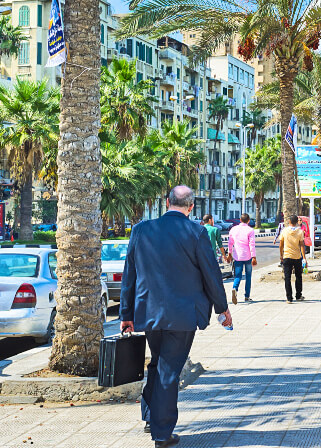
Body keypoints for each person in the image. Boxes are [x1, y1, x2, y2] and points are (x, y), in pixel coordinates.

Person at [120, 186, 231, 448]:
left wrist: (126, 314)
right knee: (168, 371)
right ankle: (162, 433)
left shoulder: (141, 230)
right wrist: (222, 308)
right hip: (182, 315)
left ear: (166, 201)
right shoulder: (196, 232)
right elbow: (211, 274)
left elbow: (129, 276)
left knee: (158, 363)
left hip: (149, 313)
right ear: (191, 207)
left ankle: (152, 416)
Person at [227, 213, 256, 304]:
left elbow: (230, 243)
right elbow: (252, 244)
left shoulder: (233, 229)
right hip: (247, 256)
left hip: (237, 256)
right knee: (248, 276)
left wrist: (229, 254)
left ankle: (235, 288)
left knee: (238, 275)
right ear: (248, 221)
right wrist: (254, 257)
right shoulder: (250, 230)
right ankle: (247, 296)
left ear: (240, 220)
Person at [278, 214, 307, 303]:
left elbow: (281, 245)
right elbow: (302, 245)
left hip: (287, 256)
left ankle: (289, 298)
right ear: (297, 222)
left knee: (287, 277)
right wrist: (304, 257)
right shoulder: (300, 232)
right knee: (298, 276)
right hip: (297, 256)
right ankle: (298, 295)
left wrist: (281, 255)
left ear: (289, 221)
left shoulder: (284, 231)